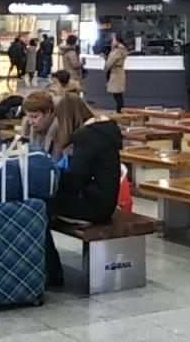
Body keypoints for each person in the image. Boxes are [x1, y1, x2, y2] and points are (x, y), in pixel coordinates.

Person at [44, 96, 125, 287]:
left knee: (40, 208)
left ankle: (51, 271)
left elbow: (76, 178)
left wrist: (54, 176)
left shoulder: (87, 137)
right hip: (104, 201)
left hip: (94, 206)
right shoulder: (103, 132)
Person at [19, 90, 62, 157]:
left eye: (35, 117)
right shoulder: (31, 129)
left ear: (48, 112)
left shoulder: (61, 131)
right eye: (28, 117)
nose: (30, 122)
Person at [105, 33, 128, 112]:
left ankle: (120, 110)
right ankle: (120, 109)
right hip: (117, 73)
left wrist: (111, 51)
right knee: (117, 93)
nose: (112, 42)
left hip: (116, 74)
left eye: (113, 40)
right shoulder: (120, 50)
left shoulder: (118, 50)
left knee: (117, 93)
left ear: (117, 41)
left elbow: (110, 61)